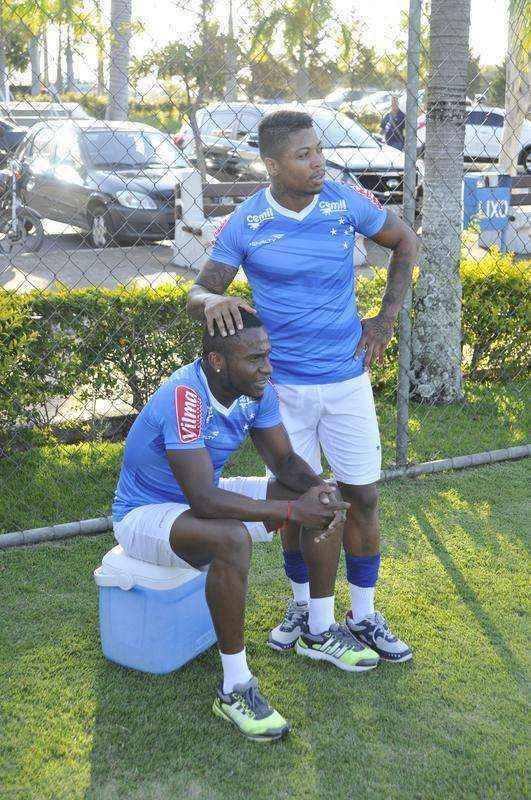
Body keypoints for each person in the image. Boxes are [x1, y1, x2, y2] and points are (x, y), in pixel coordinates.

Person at [187, 109, 418, 663]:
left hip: (345, 381)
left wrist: (385, 319)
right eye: (303, 155)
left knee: (361, 495)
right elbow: (198, 292)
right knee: (298, 500)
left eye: (318, 151)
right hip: (281, 390)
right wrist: (214, 300)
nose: (318, 163)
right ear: (271, 164)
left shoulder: (344, 202)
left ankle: (363, 614)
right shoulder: (246, 221)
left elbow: (405, 242)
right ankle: (303, 606)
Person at [112, 311, 379, 743]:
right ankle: (234, 687)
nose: (267, 367)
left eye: (267, 355)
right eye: (255, 359)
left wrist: (321, 492)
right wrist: (292, 512)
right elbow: (204, 500)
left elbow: (285, 463)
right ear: (217, 361)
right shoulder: (185, 395)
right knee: (231, 538)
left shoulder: (257, 390)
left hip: (200, 495)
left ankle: (318, 630)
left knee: (320, 501)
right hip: (144, 512)